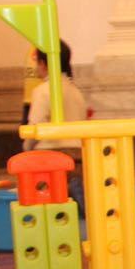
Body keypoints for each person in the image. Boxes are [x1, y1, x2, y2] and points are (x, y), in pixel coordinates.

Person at [23, 40, 89, 217]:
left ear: (43, 63)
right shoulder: (76, 92)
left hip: (49, 156)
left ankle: (56, 196)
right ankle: (72, 189)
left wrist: (26, 149)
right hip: (77, 157)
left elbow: (35, 127)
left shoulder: (42, 91)